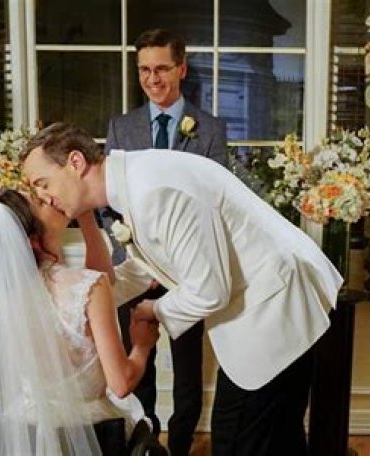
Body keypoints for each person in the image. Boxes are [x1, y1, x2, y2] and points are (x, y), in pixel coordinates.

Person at [21, 122, 344, 455]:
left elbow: (210, 291)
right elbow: (153, 264)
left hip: (274, 313)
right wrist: (85, 298)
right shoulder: (135, 179)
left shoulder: (154, 192)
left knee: (236, 442)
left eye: (42, 183)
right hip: (274, 307)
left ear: (75, 162)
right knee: (278, 442)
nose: (42, 197)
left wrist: (155, 310)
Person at [0, 188, 164, 455]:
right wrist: (142, 345)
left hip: (28, 427)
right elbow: (120, 384)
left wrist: (86, 217)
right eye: (40, 203)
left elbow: (99, 280)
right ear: (32, 239)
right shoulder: (88, 286)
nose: (50, 199)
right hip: (94, 427)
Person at [103, 28, 228, 454]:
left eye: (161, 69)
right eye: (144, 70)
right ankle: (146, 443)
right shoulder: (120, 128)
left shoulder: (210, 129)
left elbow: (214, 203)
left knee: (188, 372)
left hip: (186, 274)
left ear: (181, 69)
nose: (152, 79)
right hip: (135, 270)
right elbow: (107, 205)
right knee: (140, 364)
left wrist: (174, 263)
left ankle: (179, 447)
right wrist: (133, 254)